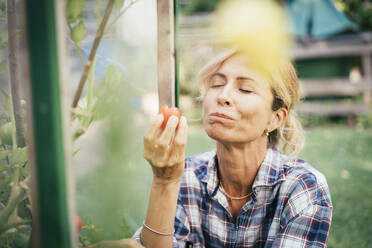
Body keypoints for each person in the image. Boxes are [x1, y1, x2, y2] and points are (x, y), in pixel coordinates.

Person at [89, 50, 332, 248]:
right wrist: (165, 182)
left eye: (245, 89)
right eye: (216, 84)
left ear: (275, 118)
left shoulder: (304, 188)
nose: (223, 96)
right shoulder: (186, 177)